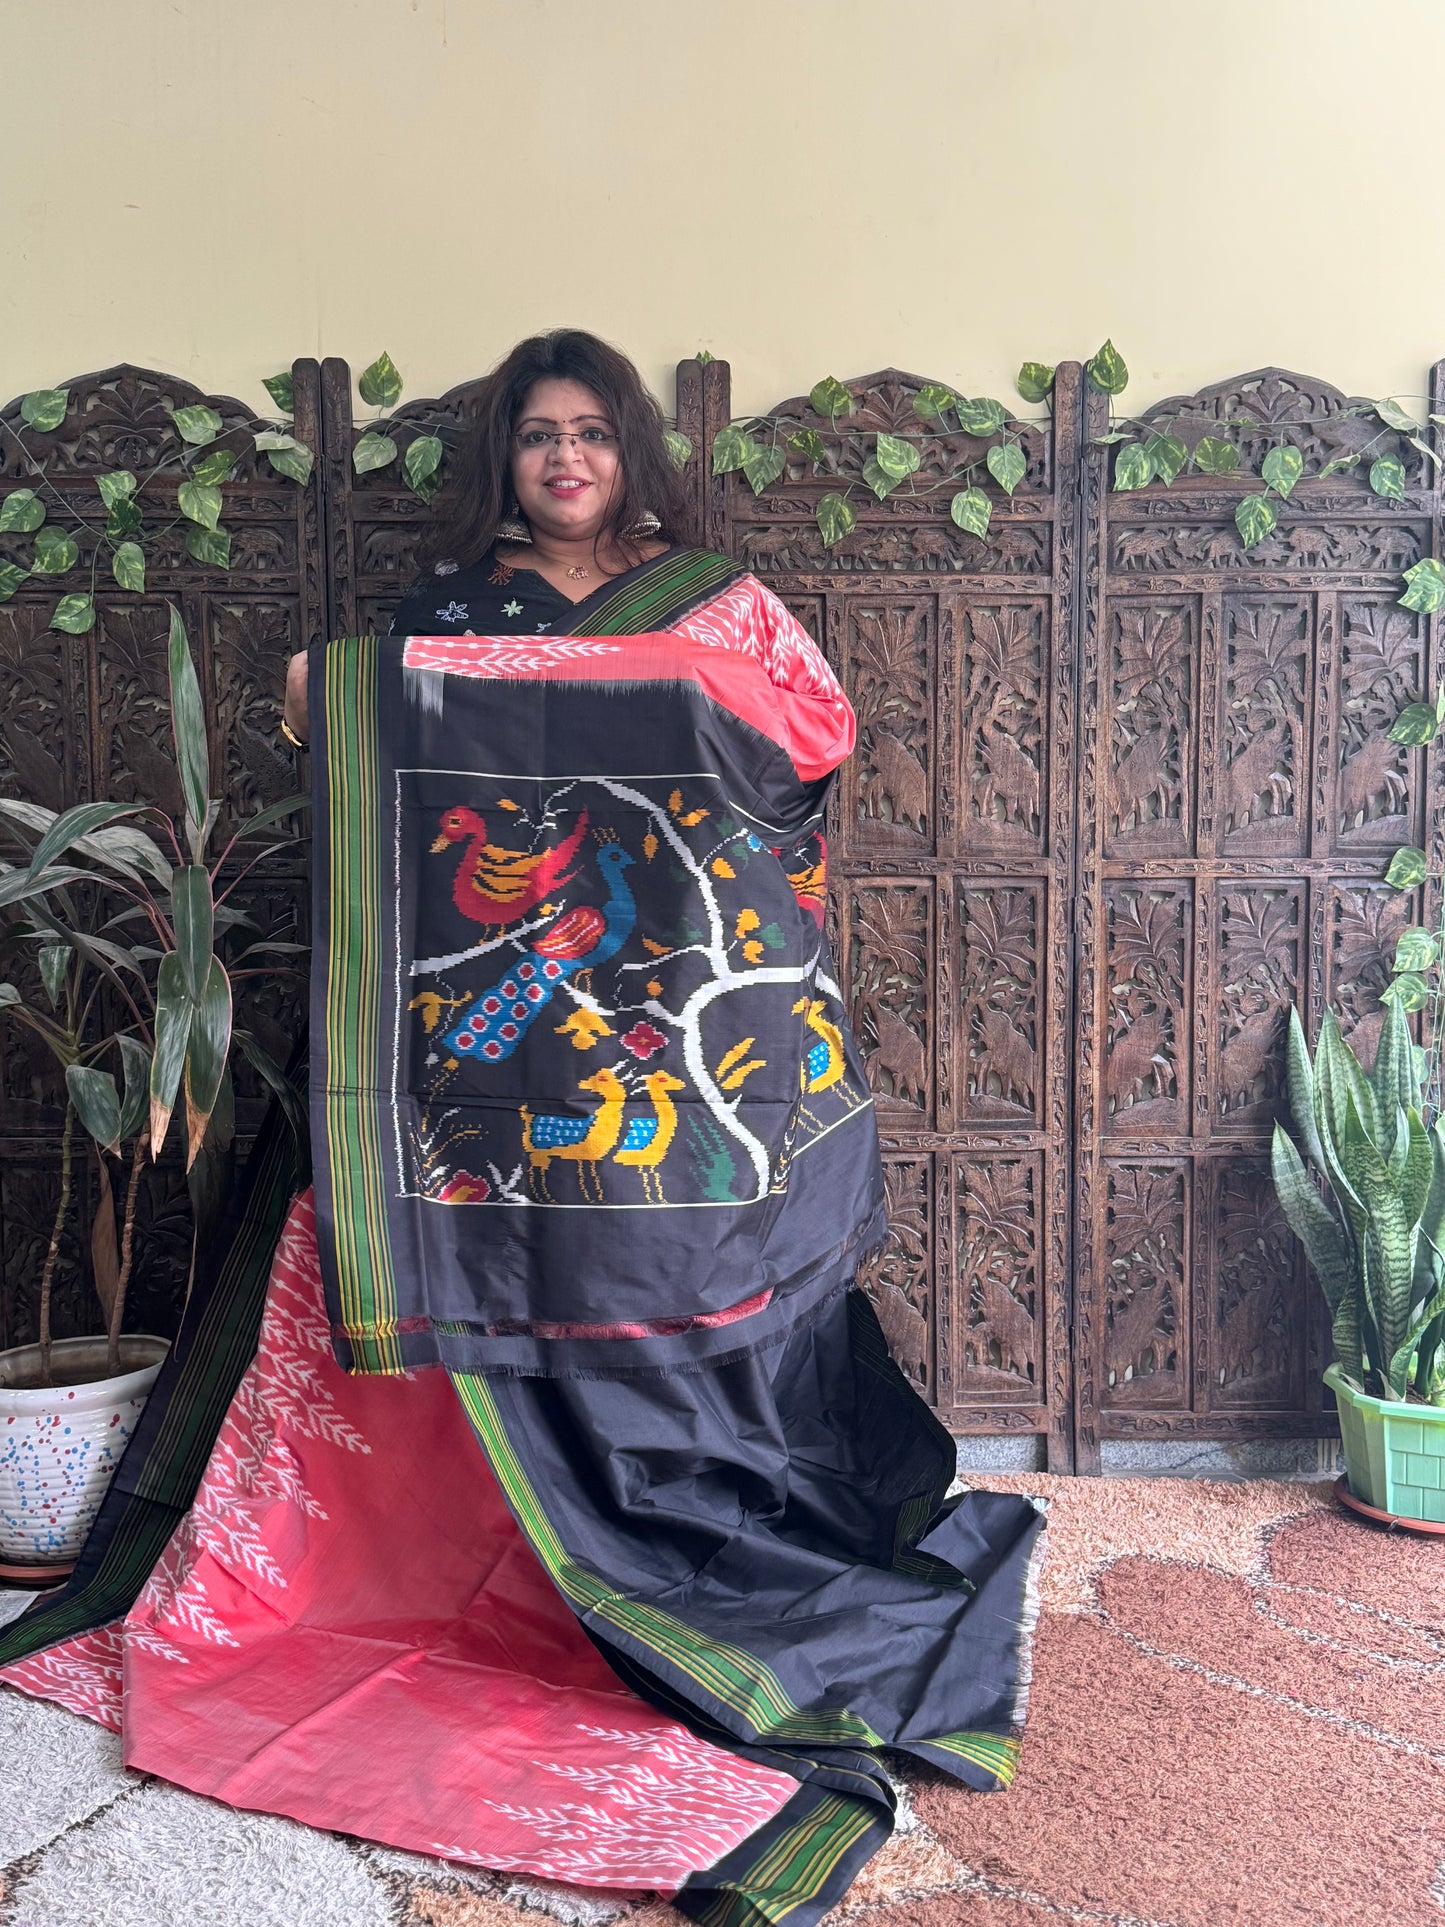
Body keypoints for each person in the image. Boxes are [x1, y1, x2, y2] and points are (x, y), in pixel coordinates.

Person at [8, 331, 1045, 1927]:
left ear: (634, 449)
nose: (567, 462)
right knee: (464, 1281)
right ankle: (460, 1558)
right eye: (539, 438)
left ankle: (661, 1566)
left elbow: (804, 751)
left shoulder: (716, 605)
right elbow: (333, 724)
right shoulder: (450, 613)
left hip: (666, 1025)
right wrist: (334, 692)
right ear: (505, 457)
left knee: (677, 1277)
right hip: (481, 1040)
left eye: (593, 435)